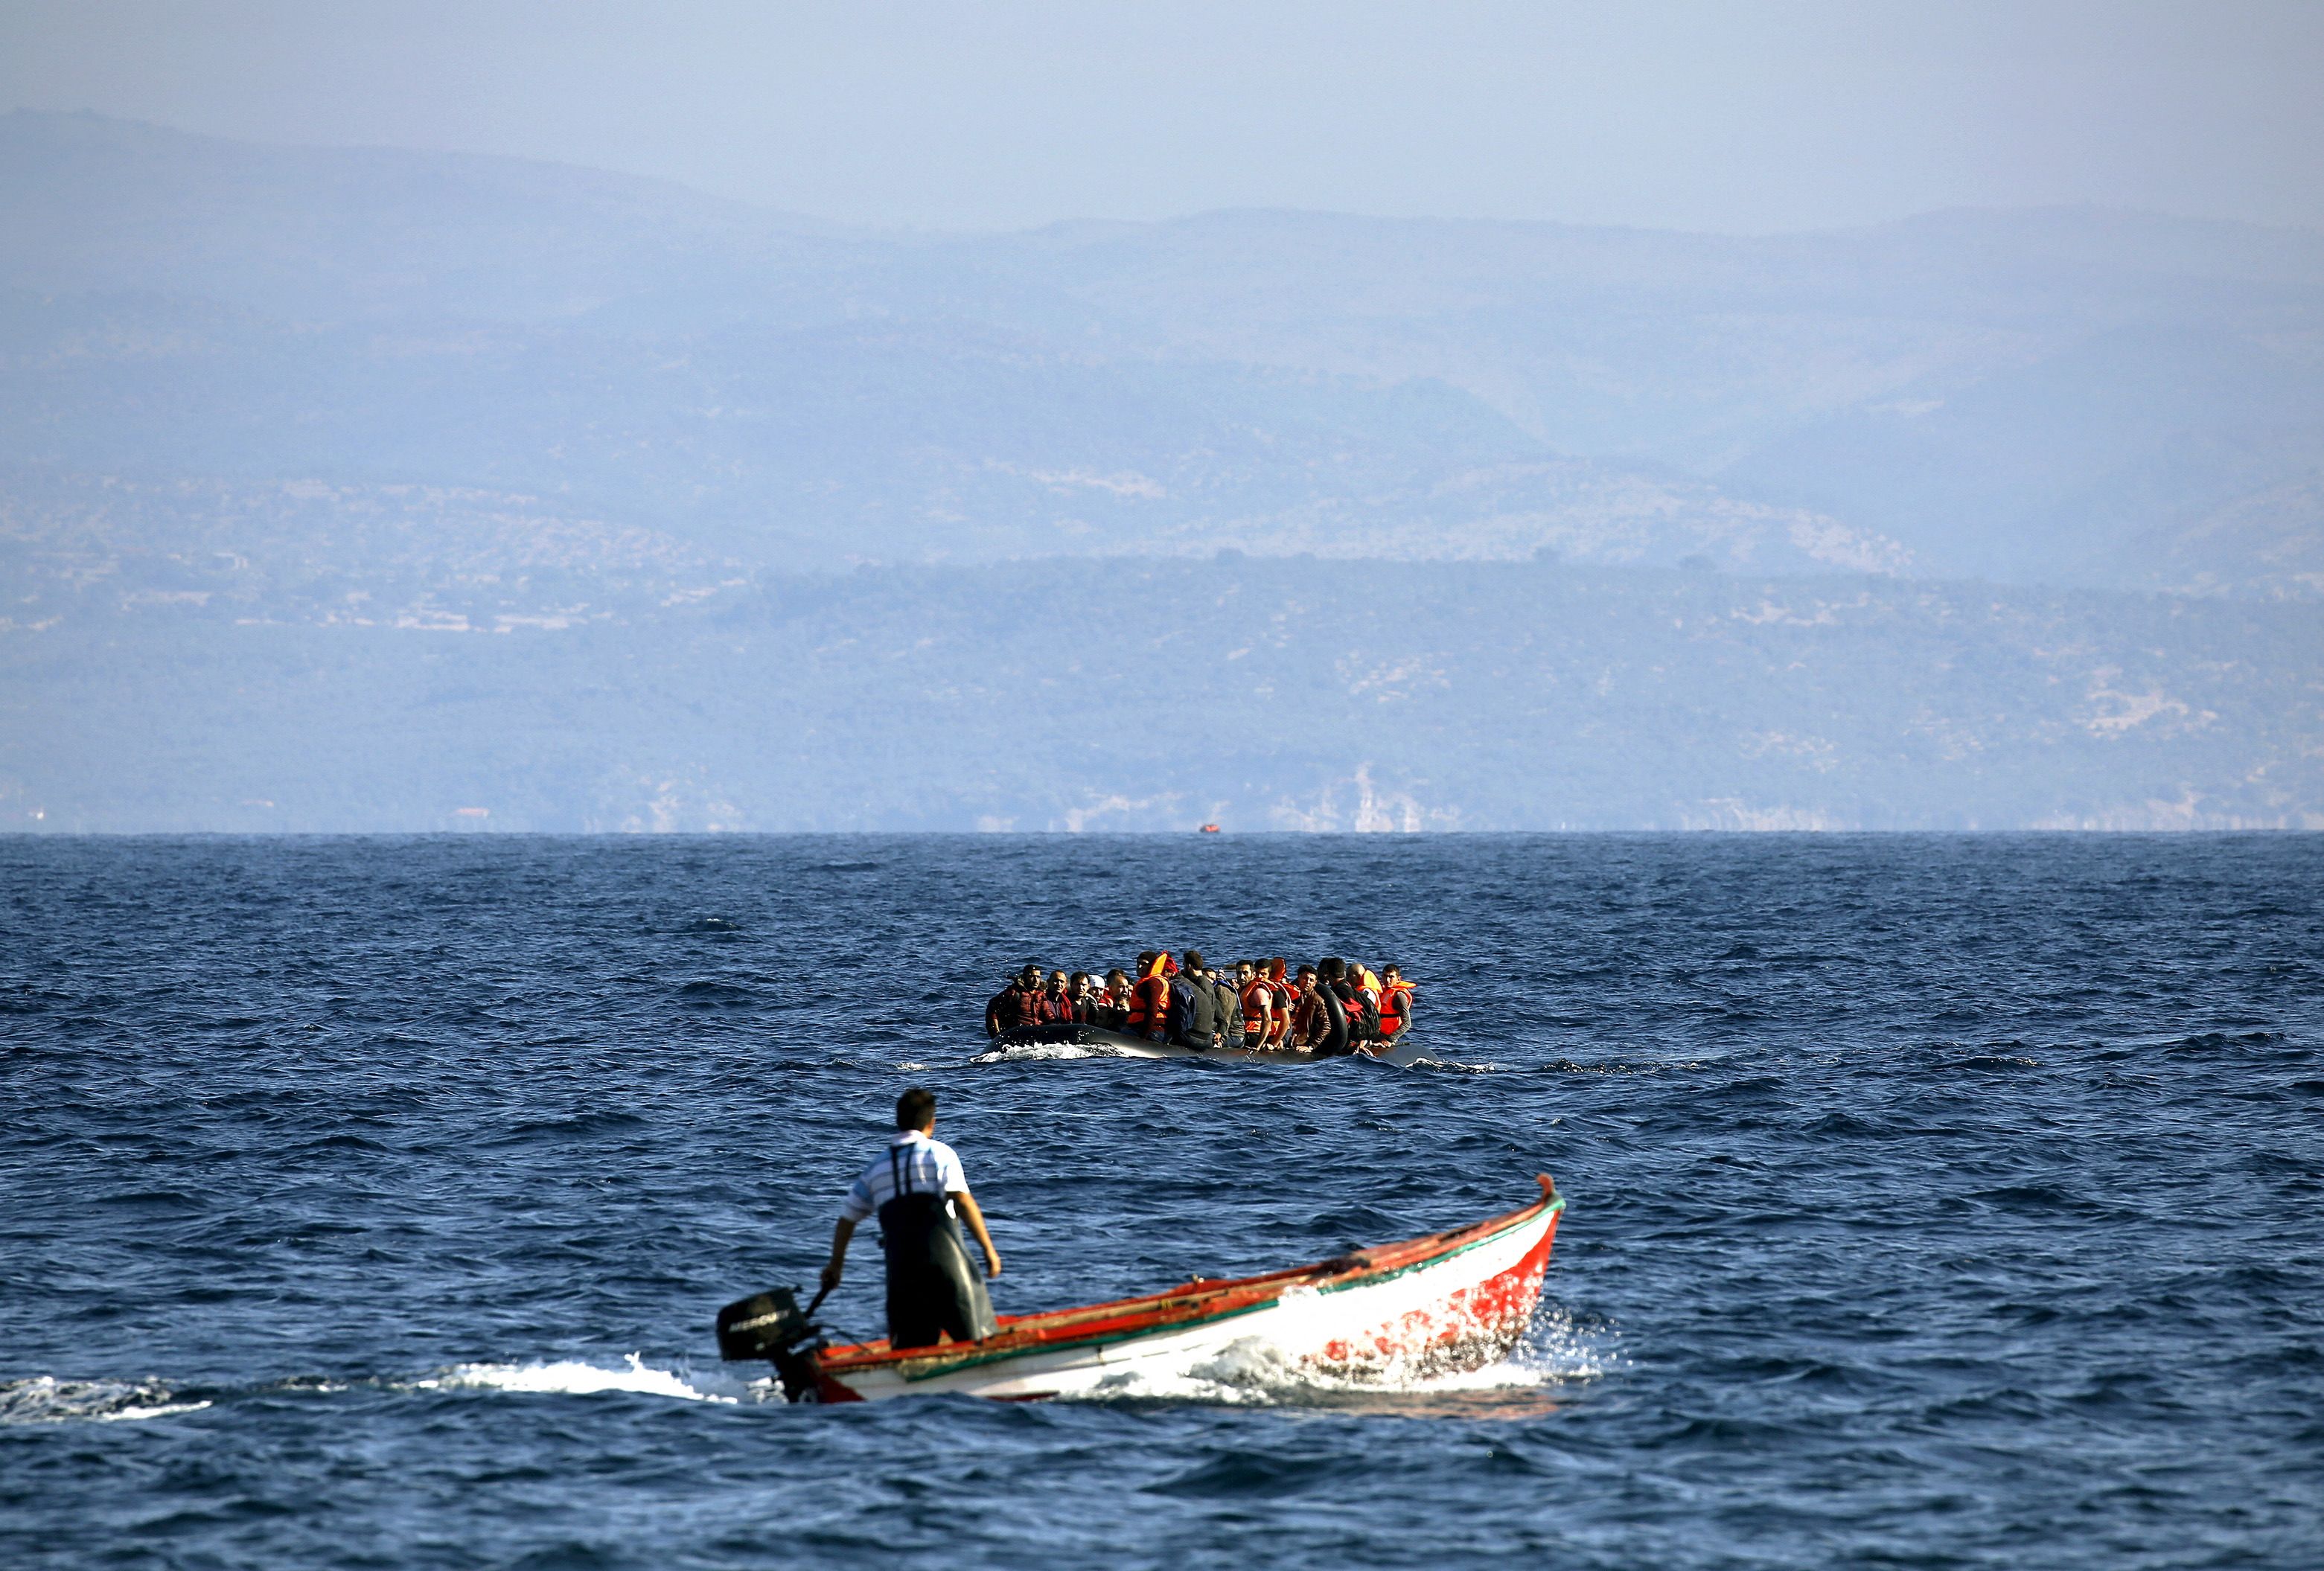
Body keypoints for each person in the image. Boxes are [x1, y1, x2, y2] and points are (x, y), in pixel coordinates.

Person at [820, 1087, 1001, 1350]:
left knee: (910, 1350)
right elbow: (962, 1201)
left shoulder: (876, 1168)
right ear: (932, 1123)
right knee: (977, 1342)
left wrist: (836, 1267)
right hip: (947, 1268)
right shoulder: (940, 1154)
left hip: (902, 1273)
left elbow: (847, 1220)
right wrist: (989, 1250)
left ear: (897, 1120)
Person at [1298, 959, 1353, 1056]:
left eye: (1311, 980)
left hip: (1303, 1041)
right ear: (1299, 978)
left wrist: (1311, 1046)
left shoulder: (1317, 1000)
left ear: (1315, 983)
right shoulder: (1291, 996)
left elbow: (1326, 1025)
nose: (1307, 982)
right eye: (1305, 979)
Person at [1167, 949, 1220, 1049]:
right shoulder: (1194, 982)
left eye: (1183, 964)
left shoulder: (1203, 985)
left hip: (1203, 1032)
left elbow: (1209, 1010)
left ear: (1189, 966)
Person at [984, 964, 1044, 1037]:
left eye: (1038, 977)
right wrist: (996, 1034)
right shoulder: (1013, 993)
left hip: (1038, 1033)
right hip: (1018, 1034)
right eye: (1032, 976)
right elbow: (993, 1008)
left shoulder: (1042, 994)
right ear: (1025, 977)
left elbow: (1049, 1015)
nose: (1036, 980)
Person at [1126, 952, 1172, 1039]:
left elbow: (1152, 1011)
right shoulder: (1151, 981)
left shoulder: (1153, 983)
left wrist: (1144, 1036)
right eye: (1138, 963)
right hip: (1143, 1027)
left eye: (1144, 964)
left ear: (1152, 966)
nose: (1139, 967)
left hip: (1152, 1031)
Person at [1236, 960, 1272, 1049]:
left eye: (1245, 973)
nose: (1241, 977)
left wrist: (1258, 1046)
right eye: (1239, 973)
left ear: (1253, 975)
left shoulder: (1259, 992)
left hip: (1254, 1035)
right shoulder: (1241, 989)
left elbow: (1267, 1020)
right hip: (1243, 1031)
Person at [1376, 964, 1415, 1045]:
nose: (1387, 980)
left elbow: (1407, 1023)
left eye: (1391, 977)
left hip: (1386, 1038)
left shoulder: (1399, 996)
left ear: (1398, 979)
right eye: (1385, 976)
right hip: (1376, 1033)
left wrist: (1390, 1040)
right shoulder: (1381, 992)